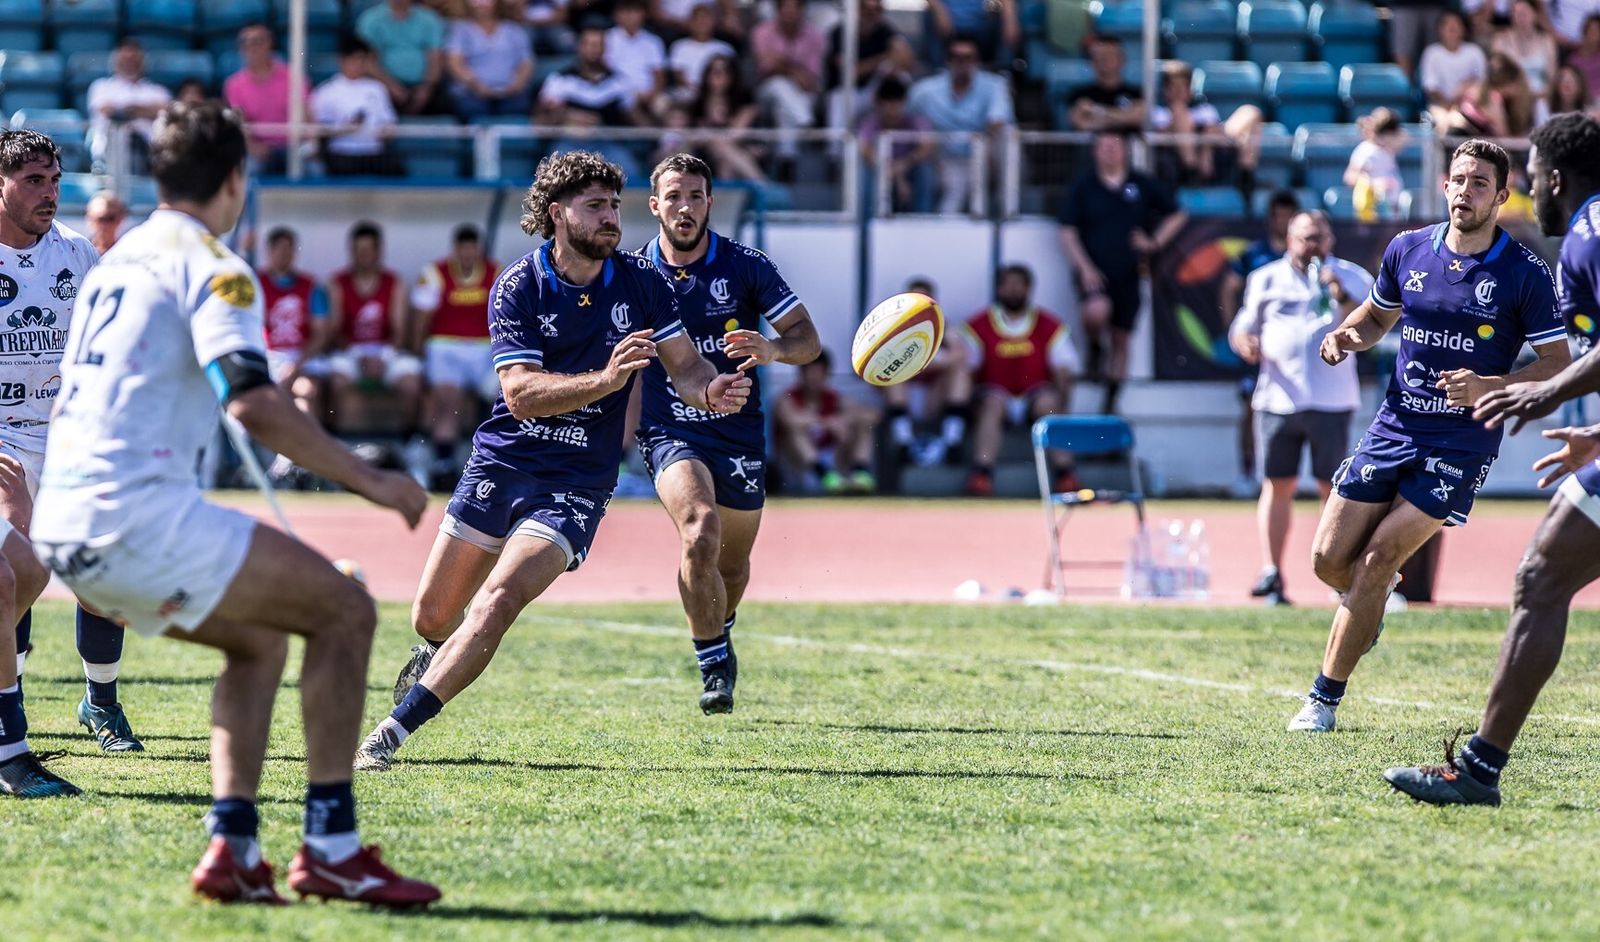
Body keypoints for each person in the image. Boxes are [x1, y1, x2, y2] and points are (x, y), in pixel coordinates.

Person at [31, 101, 438, 903]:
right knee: (346, 611)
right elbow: (251, 400)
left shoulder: (115, 259)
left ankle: (233, 848)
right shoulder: (213, 264)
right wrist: (375, 480)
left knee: (258, 643)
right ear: (234, 179)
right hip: (136, 516)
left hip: (64, 523)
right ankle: (332, 846)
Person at [353, 150, 751, 771]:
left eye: (614, 205)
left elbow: (687, 367)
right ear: (557, 213)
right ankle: (433, 649)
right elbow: (520, 394)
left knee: (498, 599)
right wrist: (606, 380)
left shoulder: (643, 283)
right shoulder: (518, 285)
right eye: (595, 206)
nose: (611, 217)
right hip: (505, 462)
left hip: (578, 481)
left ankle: (392, 732)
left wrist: (710, 389)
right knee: (432, 614)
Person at [1285, 139, 1572, 734]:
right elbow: (1376, 317)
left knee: (1377, 558)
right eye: (1459, 180)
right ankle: (1370, 602)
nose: (1466, 192)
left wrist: (1492, 384)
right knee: (1326, 561)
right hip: (1394, 424)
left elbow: (1557, 363)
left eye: (1480, 183)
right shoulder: (1407, 249)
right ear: (1445, 186)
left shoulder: (1524, 272)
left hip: (1461, 442)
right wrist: (1345, 335)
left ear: (1501, 197)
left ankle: (1322, 701)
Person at [1382, 114, 1600, 804]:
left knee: (1541, 579)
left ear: (1554, 178)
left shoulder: (1589, 235)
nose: (1529, 190)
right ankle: (1478, 768)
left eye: (1530, 175)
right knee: (1542, 577)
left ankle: (1478, 772)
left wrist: (1538, 393)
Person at [634, 153, 820, 713]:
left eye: (695, 196)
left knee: (731, 567)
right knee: (699, 529)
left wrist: (773, 349)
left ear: (710, 203)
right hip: (670, 429)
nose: (684, 207)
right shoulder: (633, 273)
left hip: (738, 433)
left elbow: (807, 340)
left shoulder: (746, 266)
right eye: (673, 197)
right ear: (655, 205)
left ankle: (720, 623)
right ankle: (713, 661)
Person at [0, 132, 104, 795]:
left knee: (37, 572)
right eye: (34, 180)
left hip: (60, 438)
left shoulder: (77, 254)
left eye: (56, 180)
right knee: (8, 574)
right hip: (3, 439)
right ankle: (11, 746)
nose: (50, 193)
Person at [1229, 212, 1371, 606]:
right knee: (1277, 484)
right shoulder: (1266, 278)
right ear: (1289, 240)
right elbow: (1243, 325)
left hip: (1331, 400)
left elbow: (1371, 323)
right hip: (1279, 399)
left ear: (1331, 240)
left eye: (1319, 238)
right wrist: (1244, 342)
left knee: (1332, 488)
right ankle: (1272, 571)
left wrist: (1339, 292)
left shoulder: (1352, 276)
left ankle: (1335, 573)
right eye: (1305, 238)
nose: (1312, 246)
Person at [1057, 130, 1186, 415]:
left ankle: (1111, 400)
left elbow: (1177, 214)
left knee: (1121, 338)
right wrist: (1084, 268)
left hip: (1130, 273)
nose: (1110, 150)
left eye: (1115, 145)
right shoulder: (1084, 187)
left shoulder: (1141, 183)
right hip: (1095, 272)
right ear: (1094, 151)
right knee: (1096, 311)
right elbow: (1067, 231)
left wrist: (1154, 242)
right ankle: (1094, 348)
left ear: (1126, 150)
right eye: (1103, 145)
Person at [958, 264, 1079, 497]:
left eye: (1019, 284)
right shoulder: (978, 325)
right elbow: (966, 368)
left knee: (1049, 404)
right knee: (991, 404)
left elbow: (1064, 369)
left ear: (1029, 288)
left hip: (1035, 395)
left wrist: (1062, 402)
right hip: (996, 396)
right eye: (1008, 284)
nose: (1013, 290)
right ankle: (982, 473)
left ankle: (1066, 473)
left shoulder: (1049, 325)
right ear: (999, 288)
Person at [1219, 189, 1301, 501]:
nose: (1283, 222)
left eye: (1289, 217)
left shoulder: (1310, 258)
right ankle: (1248, 472)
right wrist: (1237, 329)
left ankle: (1293, 476)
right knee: (1251, 408)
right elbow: (1229, 288)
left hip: (1297, 355)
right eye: (1278, 216)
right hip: (1259, 350)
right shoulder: (1254, 255)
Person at [412, 223, 501, 491]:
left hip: (484, 349)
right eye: (463, 249)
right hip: (445, 346)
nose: (468, 255)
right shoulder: (435, 274)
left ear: (479, 250)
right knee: (449, 401)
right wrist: (418, 353)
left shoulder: (496, 272)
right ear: (455, 250)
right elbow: (421, 319)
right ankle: (444, 464)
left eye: (472, 249)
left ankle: (498, 460)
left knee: (504, 399)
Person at [326, 220, 422, 435]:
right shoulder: (337, 283)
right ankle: (335, 440)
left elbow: (399, 332)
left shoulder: (395, 282)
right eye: (358, 250)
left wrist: (383, 358)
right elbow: (335, 332)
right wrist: (357, 356)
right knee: (336, 382)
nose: (363, 255)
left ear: (379, 251)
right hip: (351, 351)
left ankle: (409, 441)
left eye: (368, 250)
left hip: (386, 351)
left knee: (411, 385)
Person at [907, 34, 1015, 215]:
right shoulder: (924, 91)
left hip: (985, 155)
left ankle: (1007, 212)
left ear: (977, 61)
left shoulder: (995, 85)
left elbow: (997, 121)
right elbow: (905, 120)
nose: (962, 63)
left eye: (968, 57)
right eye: (956, 57)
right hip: (946, 159)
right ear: (947, 60)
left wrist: (985, 152)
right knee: (949, 208)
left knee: (1008, 136)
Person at [881, 276, 970, 465]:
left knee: (960, 373)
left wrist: (923, 364)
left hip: (933, 396)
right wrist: (925, 364)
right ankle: (903, 442)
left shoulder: (943, 325)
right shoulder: (891, 326)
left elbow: (961, 353)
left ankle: (952, 441)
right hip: (904, 396)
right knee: (895, 377)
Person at [537, 25, 642, 176]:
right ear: (580, 47)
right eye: (589, 44)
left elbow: (637, 121)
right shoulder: (560, 80)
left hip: (607, 143)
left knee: (630, 173)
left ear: (605, 49)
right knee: (553, 175)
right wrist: (565, 115)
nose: (594, 50)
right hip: (569, 143)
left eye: (598, 45)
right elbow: (539, 124)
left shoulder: (620, 82)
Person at [257, 226, 332, 438]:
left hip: (301, 358)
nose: (285, 254)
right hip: (267, 356)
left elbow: (321, 334)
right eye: (280, 249)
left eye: (289, 249)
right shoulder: (255, 284)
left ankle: (308, 446)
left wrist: (295, 365)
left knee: (306, 391)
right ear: (269, 251)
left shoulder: (312, 287)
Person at [772, 348, 880, 494]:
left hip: (835, 463)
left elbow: (872, 415)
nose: (815, 377)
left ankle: (860, 474)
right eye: (811, 372)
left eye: (819, 372)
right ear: (802, 374)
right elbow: (789, 419)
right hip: (802, 469)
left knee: (862, 427)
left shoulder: (835, 398)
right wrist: (826, 422)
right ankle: (824, 476)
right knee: (795, 433)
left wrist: (842, 421)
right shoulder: (788, 398)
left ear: (827, 374)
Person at [310, 37, 405, 177]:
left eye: (363, 59)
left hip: (374, 153)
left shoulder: (377, 88)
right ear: (342, 60)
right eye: (355, 59)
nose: (359, 64)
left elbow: (389, 122)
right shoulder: (326, 91)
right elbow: (320, 131)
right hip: (342, 154)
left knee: (398, 171)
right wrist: (345, 129)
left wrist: (385, 132)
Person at [224, 23, 306, 175]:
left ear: (269, 43)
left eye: (257, 41)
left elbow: (305, 114)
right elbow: (239, 124)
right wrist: (254, 147)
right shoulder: (234, 85)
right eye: (246, 43)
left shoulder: (293, 77)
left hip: (293, 146)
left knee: (313, 168)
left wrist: (302, 144)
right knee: (250, 168)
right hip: (258, 148)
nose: (252, 48)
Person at [750, 0, 824, 161]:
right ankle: (807, 121)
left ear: (802, 9)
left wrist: (781, 63)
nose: (789, 12)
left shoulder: (815, 36)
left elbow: (809, 81)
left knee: (784, 107)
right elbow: (767, 68)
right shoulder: (762, 32)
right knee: (779, 84)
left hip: (802, 93)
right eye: (785, 7)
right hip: (766, 92)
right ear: (777, 9)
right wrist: (794, 70)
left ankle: (787, 158)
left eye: (794, 7)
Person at [86, 39, 172, 174]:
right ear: (115, 62)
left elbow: (165, 110)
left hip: (148, 150)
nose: (129, 64)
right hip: (110, 147)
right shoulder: (101, 86)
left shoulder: (158, 91)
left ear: (143, 62)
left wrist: (124, 110)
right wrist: (142, 111)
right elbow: (106, 110)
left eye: (134, 59)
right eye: (125, 60)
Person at [857, 75, 937, 214]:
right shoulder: (870, 123)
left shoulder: (915, 121)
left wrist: (904, 165)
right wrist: (889, 169)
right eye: (888, 105)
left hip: (908, 168)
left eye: (897, 105)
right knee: (864, 173)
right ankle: (867, 224)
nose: (892, 111)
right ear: (879, 105)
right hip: (880, 168)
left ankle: (921, 219)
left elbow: (928, 146)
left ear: (904, 103)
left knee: (925, 170)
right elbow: (864, 149)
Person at [445, 0, 535, 119]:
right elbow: (454, 62)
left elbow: (526, 62)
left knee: (518, 107)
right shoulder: (460, 30)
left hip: (511, 90)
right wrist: (475, 84)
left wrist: (517, 83)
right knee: (472, 109)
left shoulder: (514, 30)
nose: (481, 4)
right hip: (471, 92)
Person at [356, 0, 447, 114]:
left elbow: (436, 58)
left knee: (445, 104)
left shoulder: (429, 19)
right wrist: (392, 87)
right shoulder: (371, 19)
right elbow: (366, 61)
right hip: (383, 86)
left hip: (425, 87)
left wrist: (426, 88)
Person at [1066, 36, 1144, 134]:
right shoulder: (1080, 95)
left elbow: (1140, 117)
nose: (1105, 60)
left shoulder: (1138, 93)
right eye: (1100, 56)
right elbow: (1080, 123)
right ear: (1092, 61)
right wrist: (1125, 116)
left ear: (1122, 59)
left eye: (1110, 55)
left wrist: (1096, 111)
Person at [605, 0, 669, 115]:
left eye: (635, 11)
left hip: (649, 91)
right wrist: (629, 91)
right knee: (627, 100)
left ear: (643, 14)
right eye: (626, 11)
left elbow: (659, 74)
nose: (630, 16)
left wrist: (653, 93)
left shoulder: (653, 41)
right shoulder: (607, 38)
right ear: (616, 14)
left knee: (663, 104)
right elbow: (605, 70)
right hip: (618, 90)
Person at [1421, 11, 1488, 120]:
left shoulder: (1475, 51)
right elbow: (1430, 88)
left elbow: (1482, 81)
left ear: (1464, 29)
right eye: (1447, 24)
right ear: (1439, 29)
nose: (1452, 27)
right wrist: (1448, 104)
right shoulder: (1431, 53)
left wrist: (1464, 95)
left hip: (1471, 106)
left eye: (1456, 24)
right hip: (1440, 107)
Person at [1344, 108, 1406, 222]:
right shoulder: (1365, 150)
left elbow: (1403, 137)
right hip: (1374, 209)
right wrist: (1374, 184)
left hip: (1393, 208)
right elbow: (1350, 176)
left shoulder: (1389, 150)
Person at [668, 4, 737, 97]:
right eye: (698, 19)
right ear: (690, 22)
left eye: (706, 19)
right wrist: (699, 91)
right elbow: (679, 76)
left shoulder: (725, 48)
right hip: (689, 92)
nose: (702, 23)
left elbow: (731, 76)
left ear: (714, 22)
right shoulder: (679, 46)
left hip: (719, 92)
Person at [1493, 0, 1560, 95]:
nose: (1521, 18)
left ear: (1535, 15)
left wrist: (1543, 95)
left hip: (1540, 95)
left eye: (1524, 14)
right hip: (1511, 96)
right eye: (1517, 14)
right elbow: (1497, 75)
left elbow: (1552, 79)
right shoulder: (1501, 40)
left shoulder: (1547, 41)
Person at [83, 189, 126, 256]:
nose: (105, 225)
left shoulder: (127, 253)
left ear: (120, 219)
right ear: (89, 219)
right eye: (100, 219)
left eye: (110, 218)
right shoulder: (79, 253)